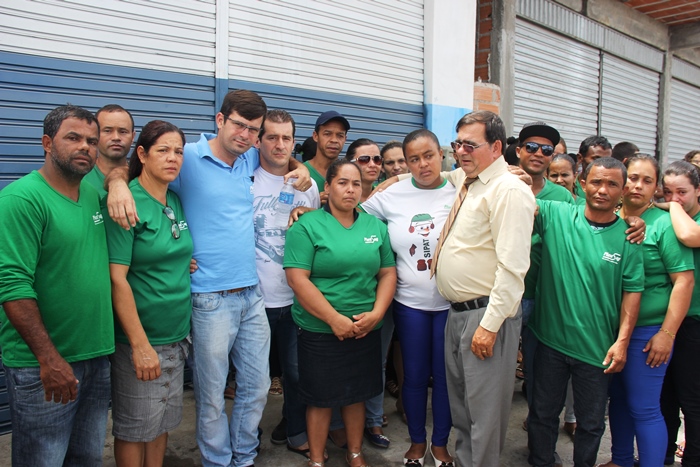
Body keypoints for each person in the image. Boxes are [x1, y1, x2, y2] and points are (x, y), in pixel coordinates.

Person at [106, 89, 312, 467]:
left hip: (252, 295)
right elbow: (135, 168)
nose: (247, 136)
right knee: (213, 392)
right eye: (239, 126)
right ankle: (218, 461)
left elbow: (284, 156)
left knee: (257, 386)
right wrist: (117, 183)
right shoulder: (187, 159)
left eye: (253, 130)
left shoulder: (249, 157)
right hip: (208, 299)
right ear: (220, 120)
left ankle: (244, 456)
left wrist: (303, 168)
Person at [0, 105, 114, 465]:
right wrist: (48, 359)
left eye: (91, 141)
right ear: (47, 143)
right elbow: (12, 284)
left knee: (87, 458)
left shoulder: (94, 197)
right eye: (74, 138)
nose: (85, 147)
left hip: (95, 355)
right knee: (42, 459)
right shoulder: (22, 200)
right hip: (45, 364)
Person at [434, 110, 536, 466]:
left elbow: (512, 269)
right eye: (457, 143)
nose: (461, 151)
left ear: (496, 147)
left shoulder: (509, 190)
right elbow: (429, 173)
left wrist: (489, 327)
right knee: (462, 412)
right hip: (458, 314)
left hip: (486, 316)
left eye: (470, 145)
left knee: (485, 419)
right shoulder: (469, 179)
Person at [527, 157, 644, 467]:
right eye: (596, 182)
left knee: (591, 425)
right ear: (582, 183)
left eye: (611, 184)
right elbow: (518, 200)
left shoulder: (630, 238)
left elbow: (633, 293)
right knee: (542, 414)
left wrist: (621, 341)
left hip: (597, 351)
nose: (602, 190)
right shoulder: (557, 214)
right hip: (550, 341)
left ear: (622, 191)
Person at [285, 159, 397, 467]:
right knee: (320, 398)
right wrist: (334, 319)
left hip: (364, 328)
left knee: (356, 394)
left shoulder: (375, 227)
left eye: (356, 184)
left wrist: (376, 314)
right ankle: (317, 459)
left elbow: (388, 273)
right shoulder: (307, 226)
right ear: (328, 187)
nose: (350, 189)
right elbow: (297, 278)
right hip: (320, 330)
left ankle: (355, 452)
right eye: (343, 183)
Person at [361, 129, 456, 467]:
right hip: (410, 303)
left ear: (441, 155)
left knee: (445, 379)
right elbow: (350, 215)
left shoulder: (461, 188)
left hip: (451, 304)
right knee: (413, 376)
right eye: (413, 159)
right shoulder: (391, 194)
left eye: (428, 155)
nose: (421, 164)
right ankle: (417, 443)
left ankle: (441, 444)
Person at [103, 120, 193, 466]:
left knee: (162, 423)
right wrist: (140, 346)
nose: (173, 158)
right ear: (141, 154)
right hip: (142, 340)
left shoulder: (174, 200)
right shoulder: (128, 204)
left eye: (179, 151)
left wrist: (186, 260)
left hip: (177, 336)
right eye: (163, 150)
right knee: (134, 426)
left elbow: (170, 250)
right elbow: (117, 279)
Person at [598, 155, 695, 467]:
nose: (637, 185)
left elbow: (683, 281)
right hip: (612, 331)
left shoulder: (664, 224)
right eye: (633, 178)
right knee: (621, 402)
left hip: (647, 333)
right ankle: (622, 460)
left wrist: (666, 334)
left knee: (645, 407)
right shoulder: (610, 217)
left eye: (647, 181)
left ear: (656, 189)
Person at [252, 110, 321, 457]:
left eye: (286, 138)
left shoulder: (308, 187)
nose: (280, 144)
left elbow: (320, 233)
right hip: (252, 299)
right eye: (272, 137)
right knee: (253, 380)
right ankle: (244, 440)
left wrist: (310, 214)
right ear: (258, 140)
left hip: (294, 300)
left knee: (296, 374)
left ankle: (295, 431)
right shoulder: (243, 177)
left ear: (295, 141)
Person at [514, 122, 574, 437]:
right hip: (504, 294)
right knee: (496, 368)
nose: (539, 154)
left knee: (540, 370)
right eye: (533, 147)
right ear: (519, 150)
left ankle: (537, 428)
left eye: (547, 150)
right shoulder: (500, 183)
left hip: (546, 295)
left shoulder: (562, 198)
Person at [660, 161, 700, 467]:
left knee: (692, 400)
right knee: (665, 398)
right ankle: (661, 456)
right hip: (667, 320)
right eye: (668, 191)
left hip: (695, 323)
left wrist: (670, 205)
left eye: (682, 192)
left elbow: (689, 237)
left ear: (698, 191)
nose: (675, 197)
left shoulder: (682, 218)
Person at [83, 104, 136, 197]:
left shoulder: (142, 179)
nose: (116, 138)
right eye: (107, 131)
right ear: (95, 135)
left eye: (123, 132)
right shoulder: (79, 176)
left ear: (133, 137)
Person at [304, 111, 350, 203]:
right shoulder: (302, 173)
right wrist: (314, 203)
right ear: (315, 136)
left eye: (340, 135)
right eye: (327, 134)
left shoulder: (349, 174)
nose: (334, 140)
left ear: (345, 139)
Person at [345, 138, 383, 203]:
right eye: (364, 159)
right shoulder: (341, 197)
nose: (372, 165)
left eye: (377, 159)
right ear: (349, 163)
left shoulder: (383, 195)